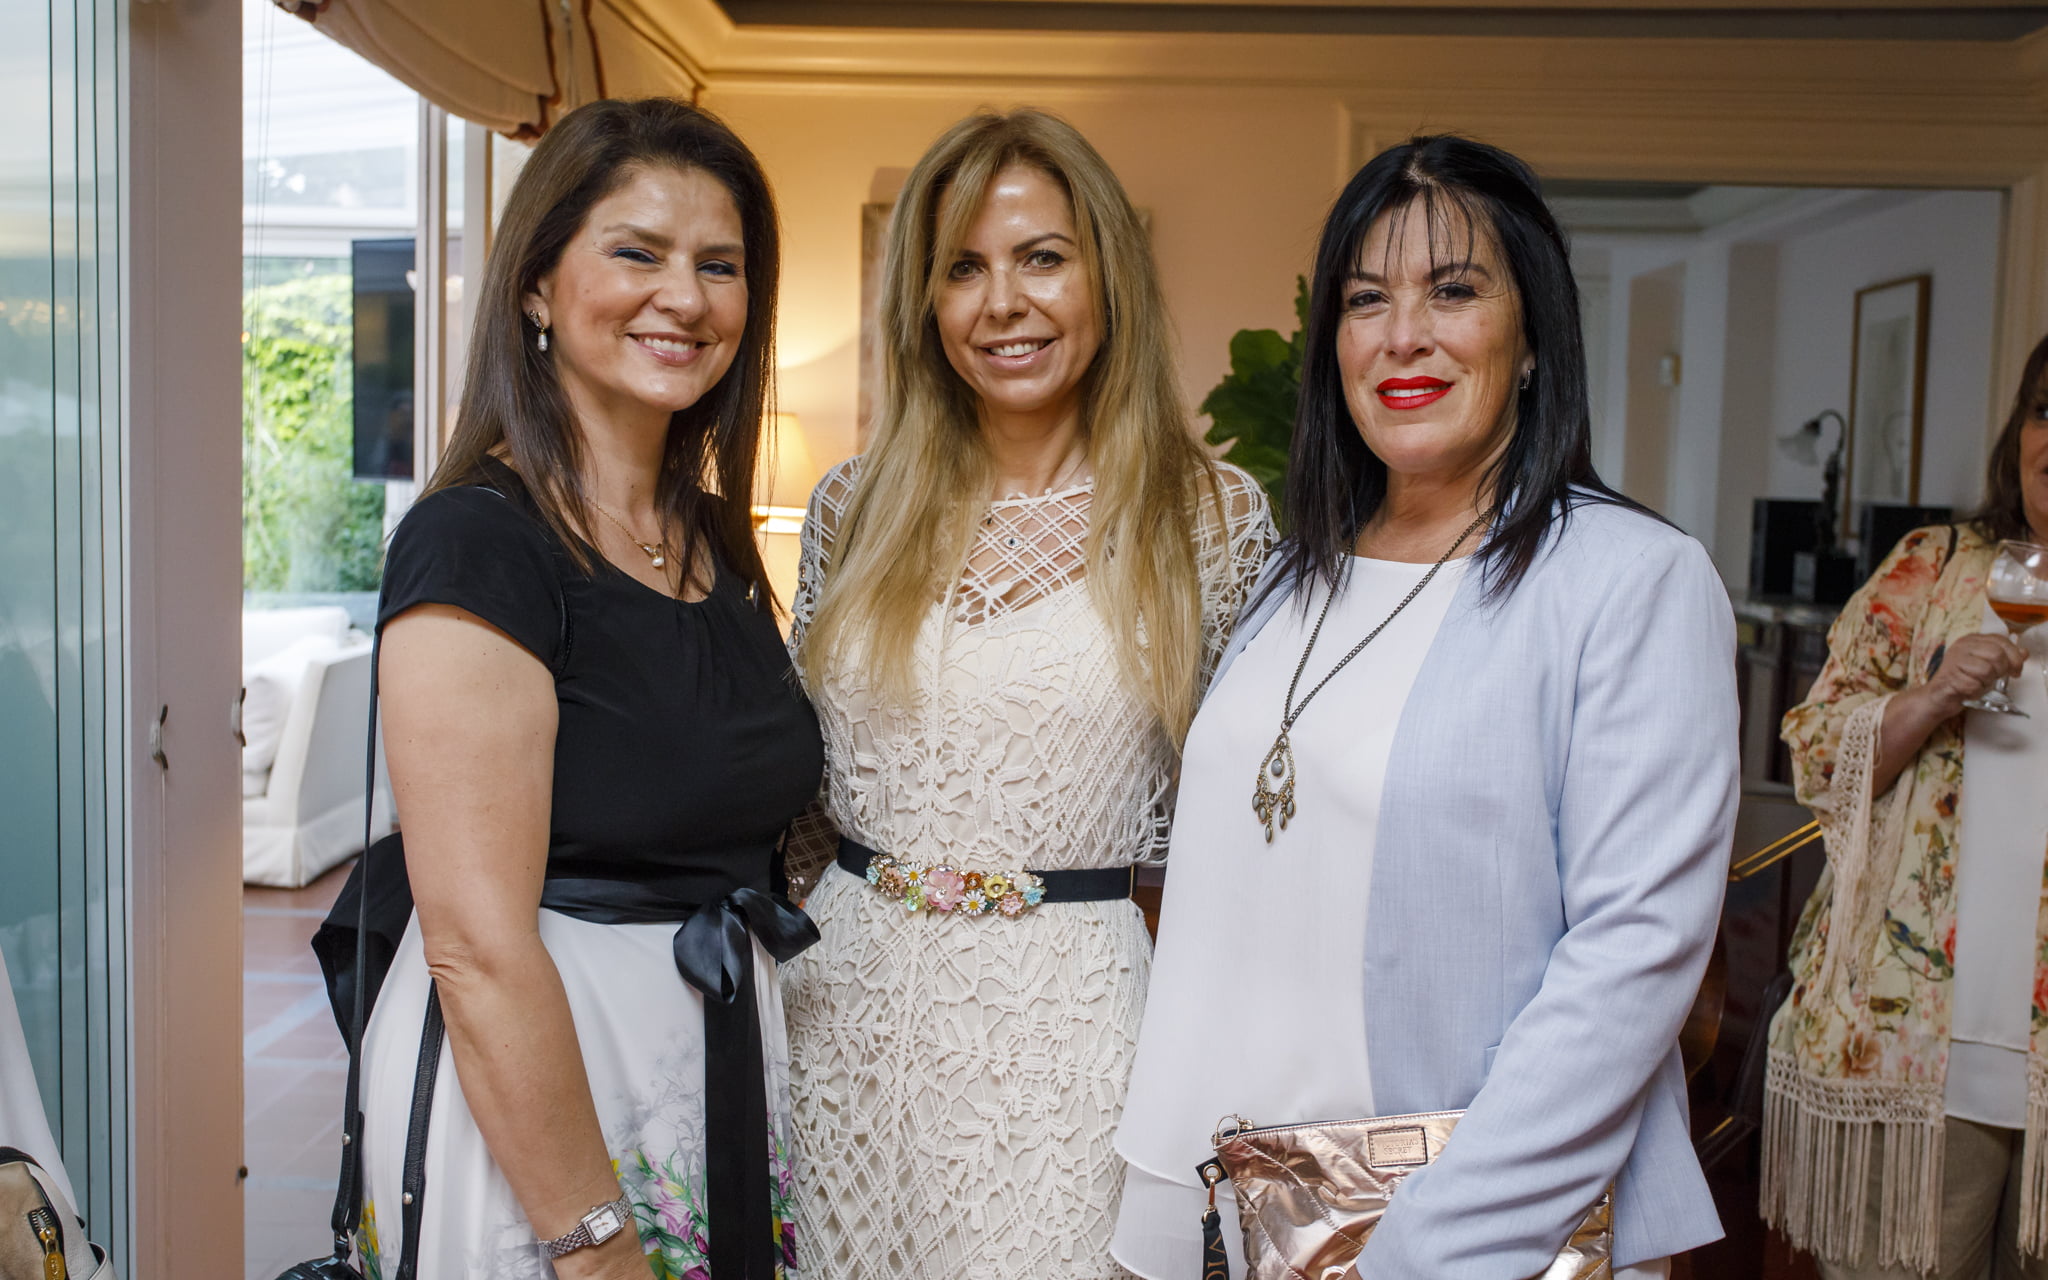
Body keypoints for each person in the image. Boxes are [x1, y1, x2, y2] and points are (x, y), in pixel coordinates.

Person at [1111, 135, 1737, 1280]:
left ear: (1532, 334)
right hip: (1222, 1196)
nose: (1403, 334)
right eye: (1366, 298)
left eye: (1452, 290)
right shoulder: (1291, 571)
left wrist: (1423, 1244)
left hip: (1450, 1229)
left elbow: (1632, 954)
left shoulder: (1628, 579)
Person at [778, 108, 1273, 1279]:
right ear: (925, 304)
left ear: (1106, 276)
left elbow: (1241, 843)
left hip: (1068, 1048)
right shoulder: (852, 504)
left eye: (1041, 258)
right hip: (836, 1025)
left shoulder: (1209, 519)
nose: (1002, 302)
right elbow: (796, 792)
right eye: (962, 268)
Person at [357, 98, 822, 1280]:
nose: (684, 298)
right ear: (535, 286)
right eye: (636, 252)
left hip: (707, 1060)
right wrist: (592, 1241)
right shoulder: (477, 541)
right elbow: (475, 948)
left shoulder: (711, 537)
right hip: (544, 1106)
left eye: (718, 265)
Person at [1762, 334, 2048, 1280]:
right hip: (1917, 1045)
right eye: (2045, 411)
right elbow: (1814, 750)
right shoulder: (1936, 565)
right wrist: (1927, 699)